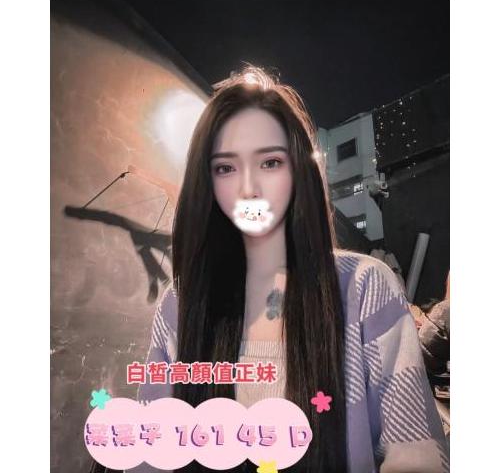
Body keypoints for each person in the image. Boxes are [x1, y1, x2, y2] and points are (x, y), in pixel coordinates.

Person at [134, 66, 449, 473]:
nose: (249, 188)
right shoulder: (179, 304)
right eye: (225, 168)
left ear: (298, 170)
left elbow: (417, 451)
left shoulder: (364, 288)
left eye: (270, 162)